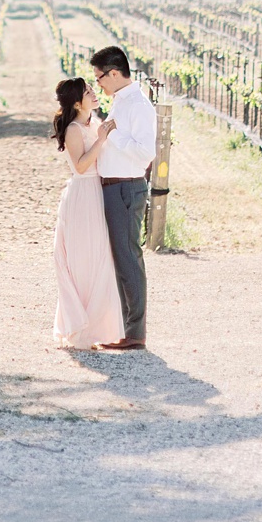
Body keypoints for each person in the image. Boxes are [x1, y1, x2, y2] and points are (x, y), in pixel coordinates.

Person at [50, 76, 124, 349]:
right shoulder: (73, 129)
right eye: (88, 92)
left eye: (93, 89)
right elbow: (81, 166)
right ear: (77, 102)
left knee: (98, 258)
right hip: (82, 195)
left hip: (98, 191)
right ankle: (80, 327)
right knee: (83, 260)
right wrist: (101, 140)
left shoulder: (92, 123)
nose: (94, 94)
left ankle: (95, 327)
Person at [89, 45, 155, 351]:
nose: (98, 83)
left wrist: (111, 134)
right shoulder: (120, 102)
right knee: (120, 259)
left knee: (129, 259)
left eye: (100, 76)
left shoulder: (138, 106)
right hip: (113, 187)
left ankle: (134, 333)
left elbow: (145, 153)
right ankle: (124, 329)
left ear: (114, 73)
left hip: (126, 187)